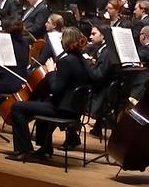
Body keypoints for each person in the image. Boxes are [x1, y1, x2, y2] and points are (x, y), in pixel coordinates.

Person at [6, 27, 91, 161]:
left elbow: (56, 89)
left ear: (65, 41)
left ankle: (24, 150)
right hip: (75, 109)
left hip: (63, 109)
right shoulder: (82, 60)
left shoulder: (66, 61)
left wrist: (51, 71)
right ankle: (45, 150)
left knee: (17, 107)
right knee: (42, 102)